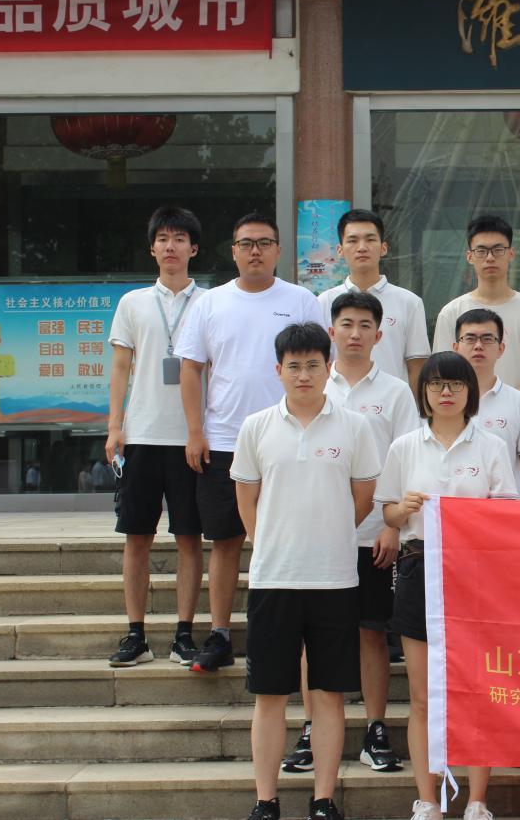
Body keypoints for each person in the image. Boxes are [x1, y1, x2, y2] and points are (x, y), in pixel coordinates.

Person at [231, 322, 380, 820]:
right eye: (293, 366)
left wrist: (327, 533)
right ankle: (265, 800)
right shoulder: (256, 427)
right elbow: (246, 500)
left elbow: (362, 499)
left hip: (334, 580)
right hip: (273, 579)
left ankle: (322, 799)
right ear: (278, 370)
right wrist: (271, 544)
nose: (303, 375)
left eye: (313, 365)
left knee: (328, 694)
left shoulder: (354, 427)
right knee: (269, 695)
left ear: (328, 367)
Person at [175, 211, 326, 673]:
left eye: (263, 243)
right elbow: (191, 369)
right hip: (224, 440)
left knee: (285, 538)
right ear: (234, 251)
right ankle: (220, 634)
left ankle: (279, 635)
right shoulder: (210, 303)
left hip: (290, 439)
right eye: (246, 243)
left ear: (278, 250)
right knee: (225, 540)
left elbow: (325, 367)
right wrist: (195, 432)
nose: (255, 251)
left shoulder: (302, 300)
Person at [281, 291, 420, 775]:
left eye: (364, 325)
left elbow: (407, 461)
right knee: (311, 638)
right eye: (346, 324)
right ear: (331, 331)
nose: (355, 333)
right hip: (316, 538)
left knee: (371, 633)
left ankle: (375, 728)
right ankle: (310, 728)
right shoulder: (316, 384)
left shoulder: (397, 392)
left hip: (373, 536)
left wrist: (390, 525)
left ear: (379, 335)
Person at [375, 352, 517, 820]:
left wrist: (472, 516)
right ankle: (427, 799)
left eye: (456, 383)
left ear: (470, 391)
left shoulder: (491, 446)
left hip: (475, 574)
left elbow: (508, 513)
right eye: (436, 384)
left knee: (477, 689)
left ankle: (477, 800)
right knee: (422, 694)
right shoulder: (405, 447)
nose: (446, 392)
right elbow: (388, 513)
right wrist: (404, 509)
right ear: (424, 393)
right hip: (418, 568)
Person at [104, 206, 206, 669]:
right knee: (137, 536)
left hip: (191, 438)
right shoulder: (133, 303)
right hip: (142, 434)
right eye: (163, 238)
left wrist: (201, 432)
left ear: (193, 248)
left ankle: (184, 634)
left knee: (189, 537)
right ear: (152, 248)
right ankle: (136, 634)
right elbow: (120, 367)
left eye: (179, 238)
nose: (171, 246)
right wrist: (115, 425)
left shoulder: (211, 302)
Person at [432, 215, 520, 397]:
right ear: (470, 256)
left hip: (517, 413)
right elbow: (445, 372)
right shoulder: (451, 312)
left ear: (511, 254)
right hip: (466, 412)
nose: (490, 257)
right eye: (481, 251)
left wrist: (505, 409)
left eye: (498, 250)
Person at [317, 209, 430, 392]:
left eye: (370, 239)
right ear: (340, 250)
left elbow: (417, 368)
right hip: (337, 405)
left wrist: (412, 407)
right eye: (352, 240)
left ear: (383, 248)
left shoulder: (409, 302)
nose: (362, 247)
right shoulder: (324, 302)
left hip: (391, 405)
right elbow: (318, 361)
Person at [452, 307, 520, 498]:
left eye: (487, 339)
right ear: (456, 348)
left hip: (504, 510)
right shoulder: (440, 402)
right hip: (453, 510)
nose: (478, 346)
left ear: (501, 349)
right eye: (470, 338)